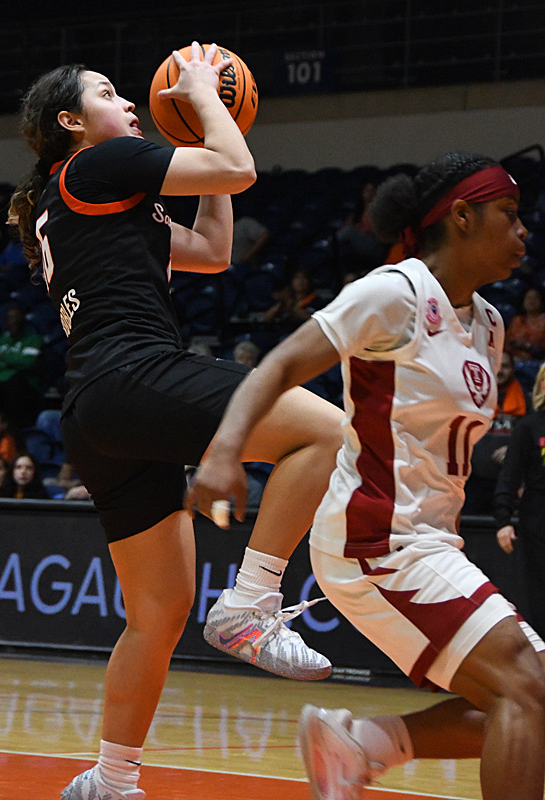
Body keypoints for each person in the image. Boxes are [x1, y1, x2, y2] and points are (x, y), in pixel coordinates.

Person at [7, 47, 343, 800]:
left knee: (155, 613)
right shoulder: (100, 164)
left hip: (95, 410)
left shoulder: (96, 194)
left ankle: (111, 779)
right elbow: (238, 170)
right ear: (71, 122)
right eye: (109, 91)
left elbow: (216, 250)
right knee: (322, 431)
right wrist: (203, 97)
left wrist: (197, 132)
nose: (129, 101)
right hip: (133, 372)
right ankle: (253, 601)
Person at [187, 153, 545, 800]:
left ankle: (360, 746)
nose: (525, 233)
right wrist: (223, 451)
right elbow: (276, 367)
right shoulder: (394, 292)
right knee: (525, 681)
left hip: (430, 541)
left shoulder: (490, 325)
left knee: (532, 697)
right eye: (511, 217)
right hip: (373, 539)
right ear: (462, 217)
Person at [494, 361, 545, 640]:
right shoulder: (530, 427)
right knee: (539, 593)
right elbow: (510, 475)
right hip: (538, 523)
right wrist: (503, 519)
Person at [463, 349, 526, 513]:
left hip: (512, 484)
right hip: (474, 482)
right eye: (497, 366)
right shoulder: (470, 399)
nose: (500, 371)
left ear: (513, 369)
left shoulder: (528, 401)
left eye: (505, 366)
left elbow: (537, 437)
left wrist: (513, 451)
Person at [0, 304, 43, 428]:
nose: (14, 322)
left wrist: (1, 357)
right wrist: (15, 361)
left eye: (17, 318)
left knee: (16, 381)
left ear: (24, 320)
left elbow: (28, 363)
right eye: (10, 318)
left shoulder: (34, 339)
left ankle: (13, 433)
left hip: (21, 386)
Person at [262, 267, 325, 335]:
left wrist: (291, 305)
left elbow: (310, 319)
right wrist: (280, 303)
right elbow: (266, 319)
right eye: (297, 278)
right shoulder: (286, 299)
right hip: (283, 334)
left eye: (303, 278)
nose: (300, 281)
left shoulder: (316, 300)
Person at [505, 285, 545, 361]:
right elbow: (508, 342)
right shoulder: (517, 320)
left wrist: (527, 345)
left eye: (536, 298)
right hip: (513, 360)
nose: (531, 301)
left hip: (537, 361)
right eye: (528, 298)